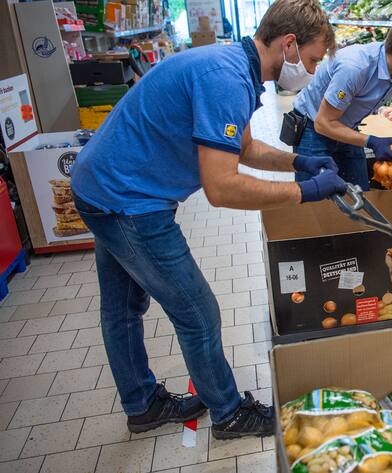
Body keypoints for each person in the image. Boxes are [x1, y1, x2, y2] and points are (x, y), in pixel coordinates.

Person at [70, 0, 345, 439]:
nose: (310, 72)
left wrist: (299, 161)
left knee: (122, 307)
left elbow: (246, 149)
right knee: (198, 312)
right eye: (311, 60)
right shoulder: (225, 79)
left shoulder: (233, 64)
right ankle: (229, 412)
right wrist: (303, 192)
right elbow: (221, 188)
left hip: (102, 181)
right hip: (127, 201)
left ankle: (142, 404)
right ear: (289, 45)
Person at [293, 13, 392, 189]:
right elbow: (323, 123)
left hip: (346, 127)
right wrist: (371, 141)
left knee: (360, 194)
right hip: (313, 127)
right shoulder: (355, 68)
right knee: (317, 201)